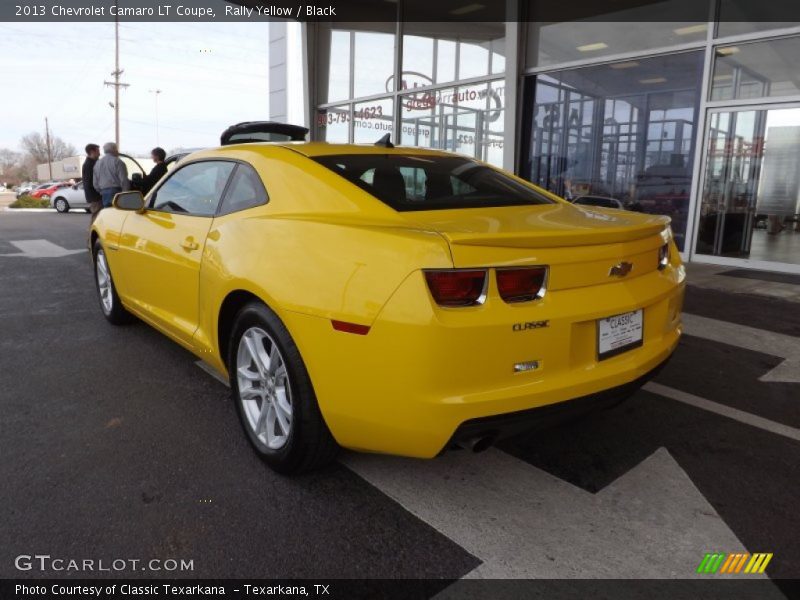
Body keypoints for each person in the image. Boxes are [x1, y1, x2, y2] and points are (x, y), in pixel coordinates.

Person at [93, 142, 130, 208]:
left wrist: (101, 191)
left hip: (104, 192)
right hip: (117, 192)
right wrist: (125, 193)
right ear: (114, 150)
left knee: (108, 214)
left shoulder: (97, 163)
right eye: (117, 149)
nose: (117, 151)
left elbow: (95, 183)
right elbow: (124, 180)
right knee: (118, 213)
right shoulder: (118, 162)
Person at [82, 143, 102, 223]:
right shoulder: (89, 164)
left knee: (98, 216)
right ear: (92, 151)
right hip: (95, 196)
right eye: (98, 151)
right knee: (96, 217)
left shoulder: (93, 163)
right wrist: (101, 191)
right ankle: (92, 234)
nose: (100, 153)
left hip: (95, 196)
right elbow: (90, 182)